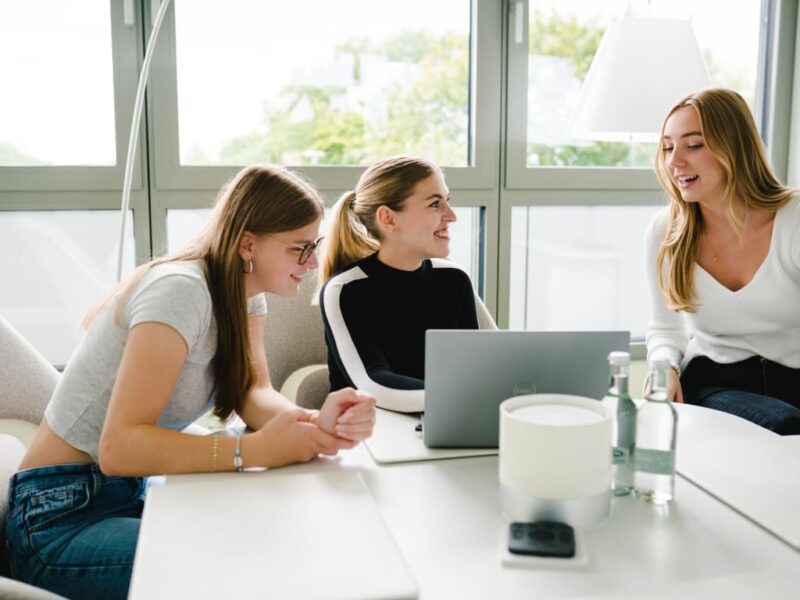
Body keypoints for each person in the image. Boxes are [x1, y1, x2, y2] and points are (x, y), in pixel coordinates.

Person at [5, 164, 377, 599]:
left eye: (313, 245)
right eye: (300, 248)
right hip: (59, 517)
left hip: (126, 492)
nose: (312, 262)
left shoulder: (244, 294)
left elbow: (253, 392)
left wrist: (313, 424)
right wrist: (255, 450)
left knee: (274, 530)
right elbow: (119, 447)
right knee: (250, 564)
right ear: (248, 244)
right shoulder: (179, 291)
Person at [645, 87, 800, 434]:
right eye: (668, 147)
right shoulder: (664, 232)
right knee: (784, 425)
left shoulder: (793, 219)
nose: (675, 161)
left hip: (793, 378)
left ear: (735, 148)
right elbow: (666, 329)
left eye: (693, 145)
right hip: (715, 381)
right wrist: (664, 367)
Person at [318, 156, 495, 413]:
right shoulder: (345, 290)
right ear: (388, 219)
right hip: (372, 430)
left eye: (448, 201)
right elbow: (372, 384)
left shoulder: (453, 279)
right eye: (435, 204)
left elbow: (472, 369)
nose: (452, 216)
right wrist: (462, 398)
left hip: (447, 417)